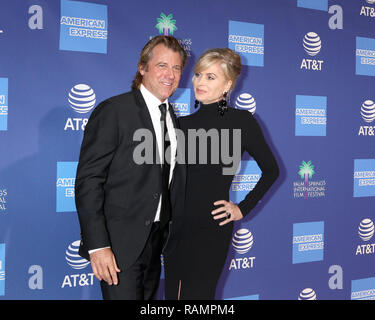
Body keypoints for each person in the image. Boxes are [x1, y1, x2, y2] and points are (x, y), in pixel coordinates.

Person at [75, 35, 187, 300]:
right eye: (162, 65)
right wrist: (98, 246)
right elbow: (89, 181)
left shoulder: (172, 118)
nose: (170, 75)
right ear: (142, 68)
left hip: (157, 241)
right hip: (119, 246)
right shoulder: (114, 111)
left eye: (177, 68)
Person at [163, 48, 279, 300]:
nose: (200, 82)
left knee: (200, 296)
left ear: (228, 84)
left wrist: (242, 208)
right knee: (174, 295)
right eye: (198, 75)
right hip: (175, 227)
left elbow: (272, 170)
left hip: (211, 228)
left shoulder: (242, 122)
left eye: (210, 77)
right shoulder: (180, 125)